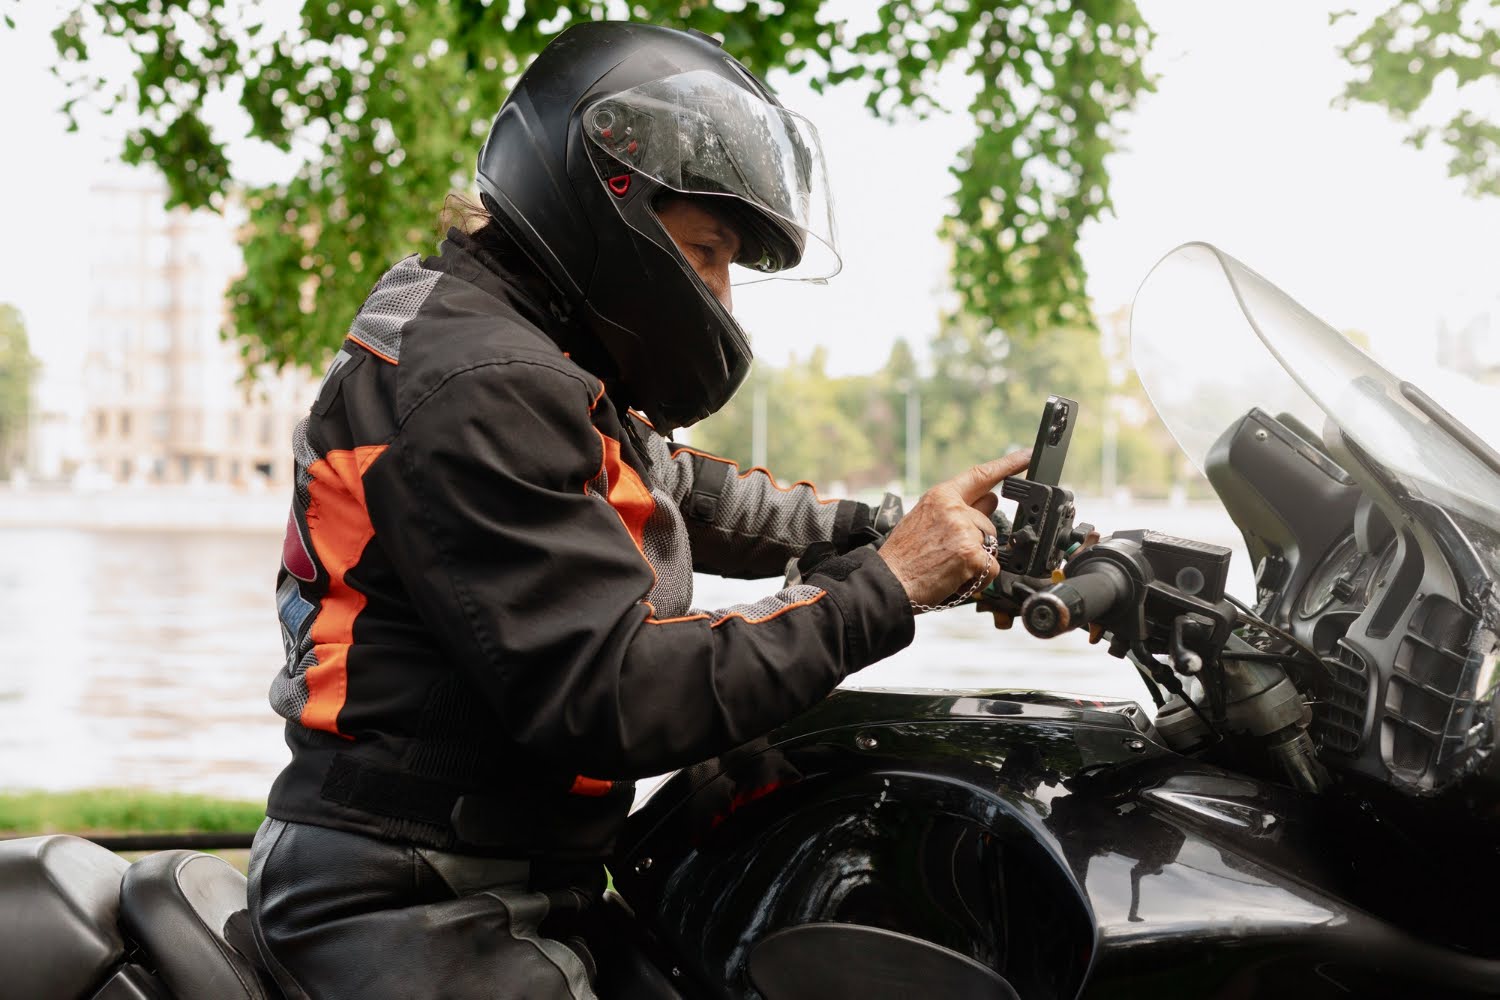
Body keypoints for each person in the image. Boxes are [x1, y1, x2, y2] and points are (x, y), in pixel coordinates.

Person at [248, 20, 1029, 1000]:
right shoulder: (480, 380)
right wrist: (888, 585)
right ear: (604, 198)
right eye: (706, 253)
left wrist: (889, 529)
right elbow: (612, 691)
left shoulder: (540, 356)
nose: (721, 296)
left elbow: (689, 495)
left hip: (519, 877)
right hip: (405, 896)